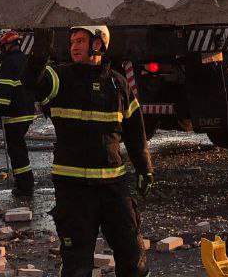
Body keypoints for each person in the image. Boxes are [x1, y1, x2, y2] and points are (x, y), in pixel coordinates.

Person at [27, 25, 152, 277]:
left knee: (133, 258)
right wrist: (39, 55)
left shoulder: (118, 85)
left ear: (99, 44)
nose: (74, 46)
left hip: (113, 189)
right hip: (74, 192)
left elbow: (136, 132)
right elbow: (32, 81)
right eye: (72, 41)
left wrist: (144, 167)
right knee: (77, 267)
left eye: (81, 40)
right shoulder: (60, 78)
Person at [0, 30, 36, 197]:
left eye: (2, 47)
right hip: (26, 112)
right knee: (20, 148)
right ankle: (26, 182)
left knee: (16, 151)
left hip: (13, 115)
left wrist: (0, 112)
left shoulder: (8, 63)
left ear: (8, 46)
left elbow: (5, 91)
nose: (1, 51)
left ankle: (25, 186)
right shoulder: (25, 60)